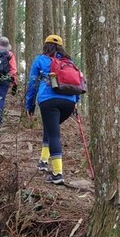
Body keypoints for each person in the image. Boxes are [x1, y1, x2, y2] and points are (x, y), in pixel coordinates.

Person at [25, 34, 79, 186]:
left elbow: (33, 84)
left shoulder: (40, 60)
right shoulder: (68, 62)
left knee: (53, 133)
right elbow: (76, 83)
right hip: (69, 102)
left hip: (49, 100)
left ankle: (57, 173)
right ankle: (43, 161)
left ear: (45, 46)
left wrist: (29, 104)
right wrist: (76, 103)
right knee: (51, 128)